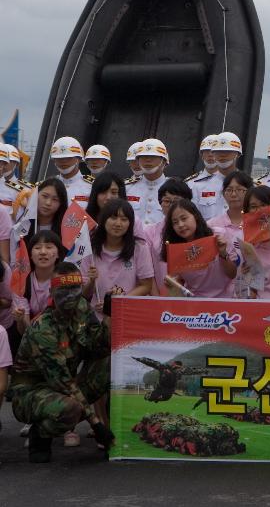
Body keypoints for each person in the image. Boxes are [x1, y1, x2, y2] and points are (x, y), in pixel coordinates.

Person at [9, 261, 112, 463]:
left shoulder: (82, 307)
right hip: (31, 393)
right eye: (63, 290)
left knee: (108, 364)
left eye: (75, 289)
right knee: (71, 408)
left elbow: (100, 348)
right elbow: (62, 381)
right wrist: (96, 424)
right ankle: (40, 434)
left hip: (64, 385)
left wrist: (108, 315)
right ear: (52, 290)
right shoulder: (43, 329)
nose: (70, 296)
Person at [85, 198, 154, 316]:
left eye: (124, 219)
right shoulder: (90, 247)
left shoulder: (139, 247)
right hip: (95, 320)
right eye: (113, 218)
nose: (118, 224)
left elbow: (146, 286)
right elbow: (84, 293)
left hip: (128, 314)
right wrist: (91, 281)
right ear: (103, 219)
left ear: (130, 223)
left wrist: (117, 303)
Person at [156, 199, 238, 298]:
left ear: (195, 216)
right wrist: (173, 284)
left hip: (225, 299)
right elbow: (180, 281)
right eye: (175, 222)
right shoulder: (176, 248)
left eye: (184, 218)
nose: (180, 225)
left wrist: (222, 253)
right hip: (195, 302)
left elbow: (232, 274)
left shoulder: (218, 235)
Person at [207, 171, 263, 299]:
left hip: (255, 293)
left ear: (249, 192)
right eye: (229, 190)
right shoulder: (211, 225)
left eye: (239, 190)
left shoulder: (259, 224)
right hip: (220, 294)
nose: (233, 194)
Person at [13, 230, 67, 333]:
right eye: (37, 248)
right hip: (34, 339)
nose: (43, 252)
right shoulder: (22, 282)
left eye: (49, 247)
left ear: (58, 254)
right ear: (30, 255)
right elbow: (23, 331)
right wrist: (20, 321)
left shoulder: (65, 280)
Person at [125, 138, 171, 229]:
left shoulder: (174, 189)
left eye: (153, 156)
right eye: (143, 157)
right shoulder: (127, 188)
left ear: (164, 161)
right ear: (138, 161)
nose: (148, 160)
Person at [48, 137, 92, 207]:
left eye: (69, 158)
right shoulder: (46, 186)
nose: (63, 161)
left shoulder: (91, 187)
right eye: (59, 158)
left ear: (79, 159)